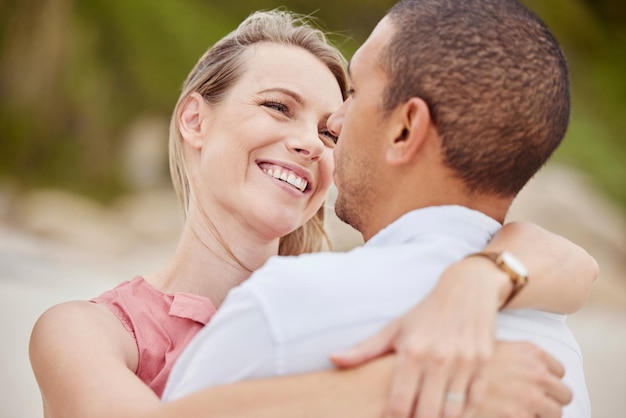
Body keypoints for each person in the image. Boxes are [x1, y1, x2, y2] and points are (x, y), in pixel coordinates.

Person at [29, 8, 597, 418]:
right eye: (278, 107)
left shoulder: (327, 307)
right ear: (195, 120)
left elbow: (573, 263)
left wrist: (477, 280)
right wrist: (404, 386)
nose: (312, 142)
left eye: (329, 130)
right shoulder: (85, 330)